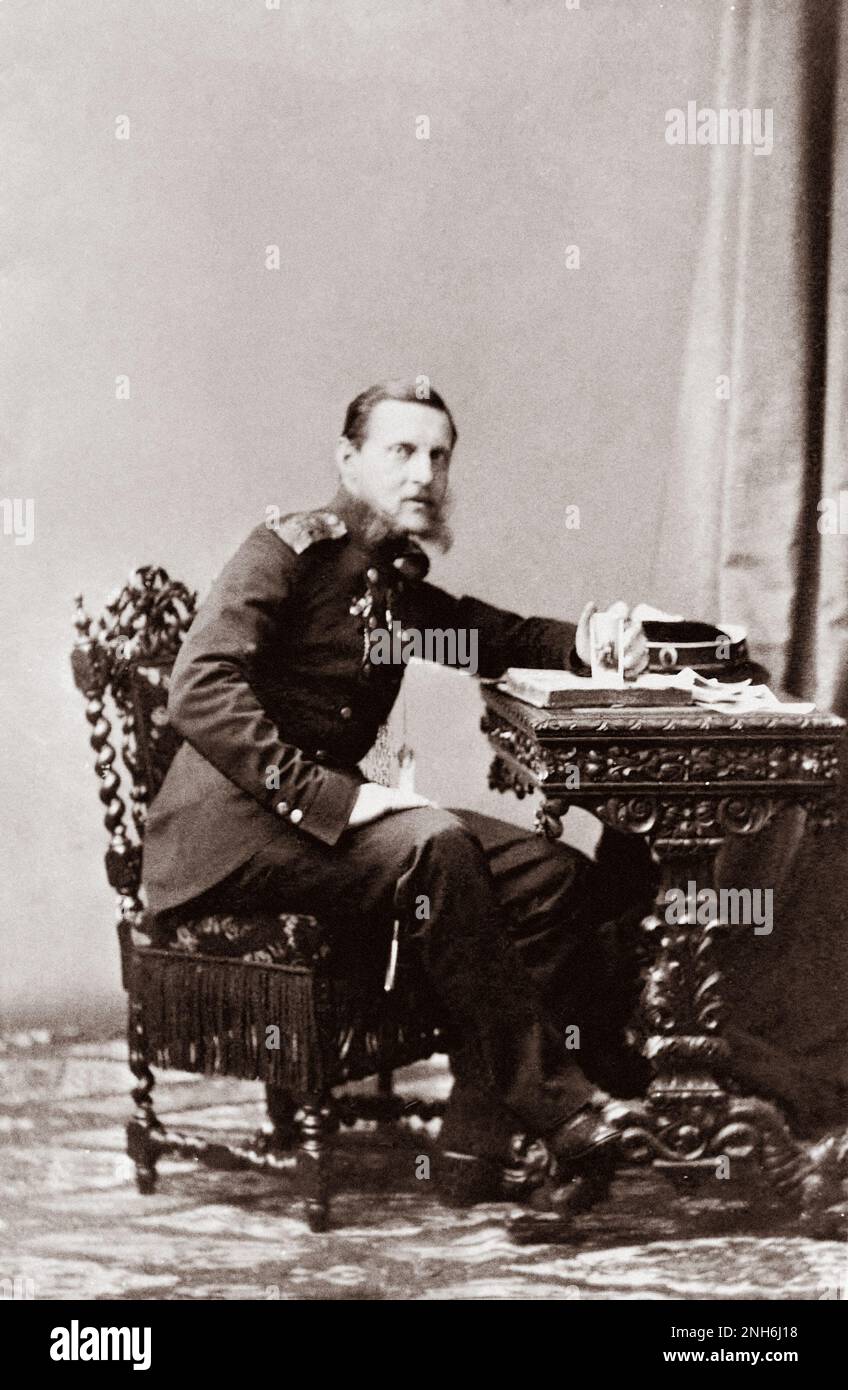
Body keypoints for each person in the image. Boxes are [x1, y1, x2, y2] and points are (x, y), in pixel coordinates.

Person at [141, 379, 659, 1201]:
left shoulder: (392, 583)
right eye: (402, 452)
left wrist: (595, 641)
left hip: (322, 830)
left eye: (439, 456)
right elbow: (198, 687)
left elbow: (496, 635)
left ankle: (473, 1145)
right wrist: (336, 800)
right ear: (348, 459)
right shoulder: (286, 550)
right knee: (433, 843)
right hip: (226, 836)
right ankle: (556, 1106)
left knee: (551, 875)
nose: (424, 473)